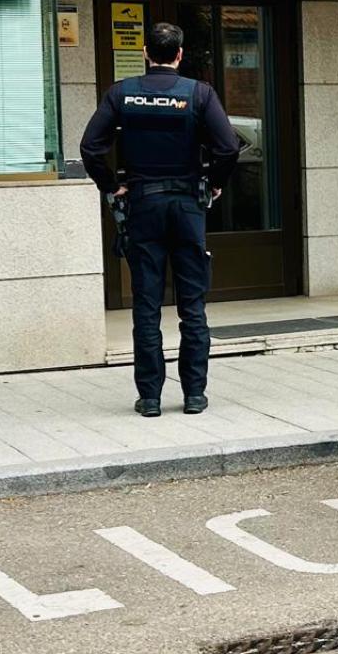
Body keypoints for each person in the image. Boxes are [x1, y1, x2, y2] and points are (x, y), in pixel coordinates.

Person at [79, 23, 241, 417]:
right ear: (180, 54)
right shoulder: (199, 93)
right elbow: (227, 147)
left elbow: (90, 147)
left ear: (146, 53)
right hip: (187, 207)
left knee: (146, 306)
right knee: (193, 307)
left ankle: (150, 397)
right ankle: (194, 395)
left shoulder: (122, 93)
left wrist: (110, 186)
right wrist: (215, 184)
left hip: (143, 207)